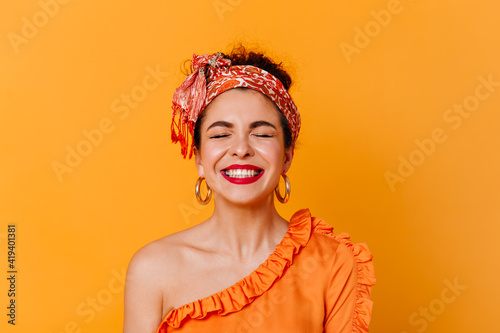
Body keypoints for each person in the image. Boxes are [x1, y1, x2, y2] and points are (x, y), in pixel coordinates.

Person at [123, 47, 376, 333]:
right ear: (199, 160)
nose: (241, 149)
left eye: (262, 134)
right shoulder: (152, 269)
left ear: (287, 156)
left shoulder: (332, 262)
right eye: (220, 135)